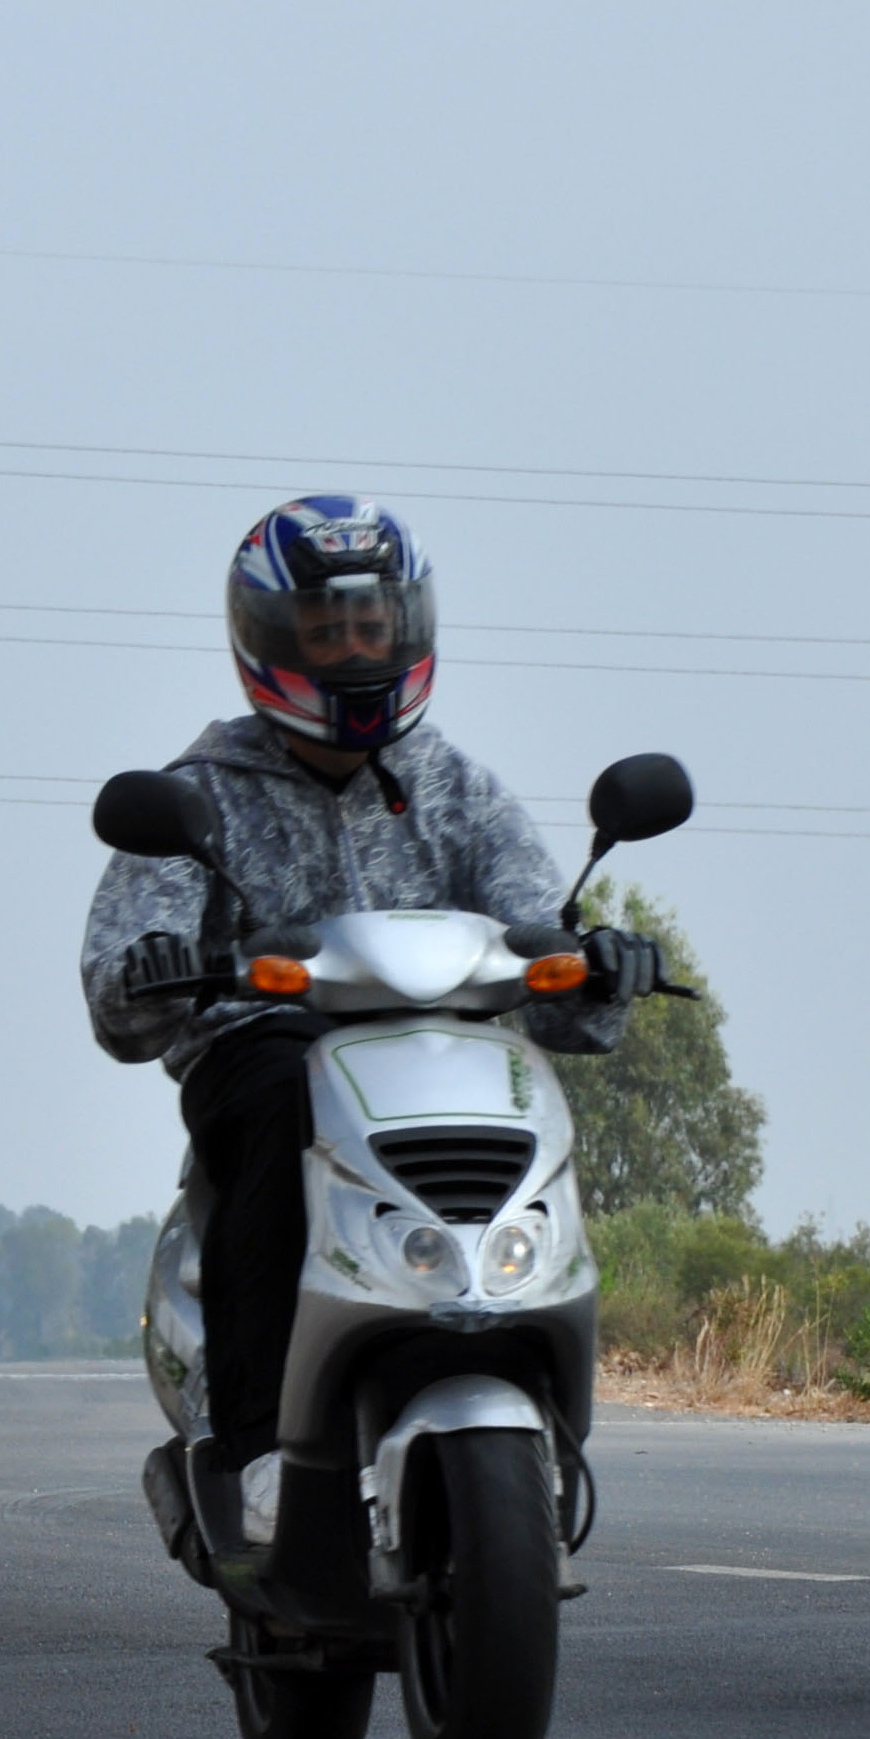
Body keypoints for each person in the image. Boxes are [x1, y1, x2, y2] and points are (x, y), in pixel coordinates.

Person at [79, 497, 661, 1533]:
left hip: (445, 1052)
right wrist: (154, 965)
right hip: (268, 1052)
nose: (353, 647)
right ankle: (258, 1445)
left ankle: (537, 1363)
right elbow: (119, 994)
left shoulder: (456, 787)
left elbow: (539, 937)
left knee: (531, 1100)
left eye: (371, 623)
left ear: (409, 628)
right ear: (267, 639)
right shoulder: (203, 789)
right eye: (325, 627)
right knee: (273, 1108)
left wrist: (596, 962)